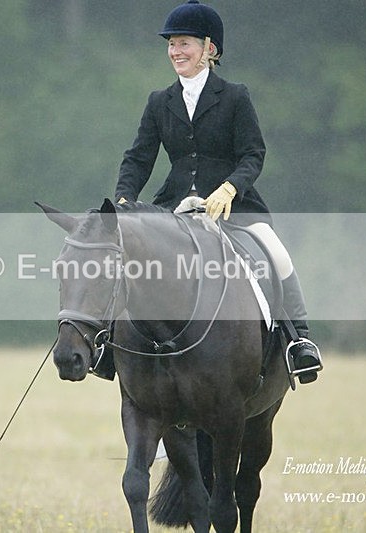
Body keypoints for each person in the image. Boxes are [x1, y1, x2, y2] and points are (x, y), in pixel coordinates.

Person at [113, 0, 322, 384]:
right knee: (131, 261)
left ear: (210, 49)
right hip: (175, 209)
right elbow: (138, 158)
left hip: (233, 207)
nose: (175, 51)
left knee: (274, 252)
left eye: (184, 43)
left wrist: (229, 187)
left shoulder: (235, 96)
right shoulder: (160, 101)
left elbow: (253, 154)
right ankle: (112, 349)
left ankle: (298, 342)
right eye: (171, 44)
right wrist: (124, 200)